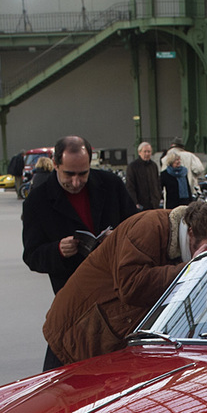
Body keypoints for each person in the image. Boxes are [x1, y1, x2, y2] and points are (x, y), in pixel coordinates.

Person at [44, 199, 207, 366]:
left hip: (106, 340)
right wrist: (191, 267)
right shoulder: (148, 227)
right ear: (191, 232)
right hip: (75, 334)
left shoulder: (181, 243)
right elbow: (131, 286)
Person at [22, 135, 139, 370]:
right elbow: (32, 255)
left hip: (117, 295)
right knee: (62, 373)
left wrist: (116, 238)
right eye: (69, 175)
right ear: (55, 164)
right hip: (74, 302)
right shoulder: (37, 201)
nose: (76, 182)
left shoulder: (111, 185)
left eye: (83, 174)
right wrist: (58, 250)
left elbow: (135, 226)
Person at [126, 141, 163, 210]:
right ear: (139, 152)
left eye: (149, 151)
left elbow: (157, 182)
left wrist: (158, 197)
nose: (147, 154)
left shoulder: (153, 165)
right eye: (145, 151)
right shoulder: (132, 166)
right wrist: (135, 202)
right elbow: (130, 186)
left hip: (154, 203)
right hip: (141, 204)